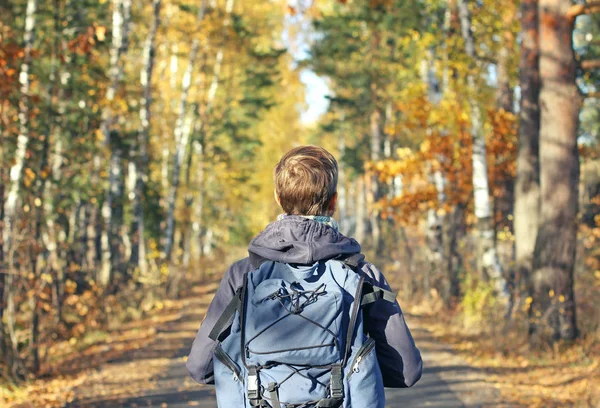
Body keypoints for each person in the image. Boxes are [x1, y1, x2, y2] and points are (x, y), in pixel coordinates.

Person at [186, 145, 422, 400]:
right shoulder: (363, 275)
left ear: (278, 198)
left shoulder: (243, 274)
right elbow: (406, 371)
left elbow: (200, 366)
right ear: (334, 201)